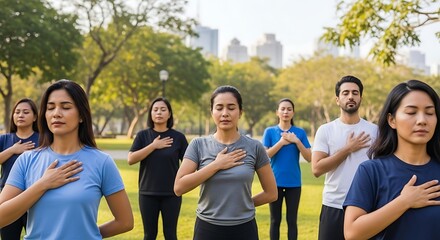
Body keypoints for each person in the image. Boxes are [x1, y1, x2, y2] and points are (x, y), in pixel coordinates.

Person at [0, 79, 133, 239]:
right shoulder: (26, 160)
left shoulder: (102, 162)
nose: (56, 113)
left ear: (82, 116)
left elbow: (125, 222)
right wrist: (42, 185)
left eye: (66, 107)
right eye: (50, 108)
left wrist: (87, 234)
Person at [174, 85, 278, 240]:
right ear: (212, 112)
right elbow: (179, 187)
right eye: (219, 108)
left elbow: (271, 193)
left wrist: (243, 204)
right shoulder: (198, 145)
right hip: (207, 228)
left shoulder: (255, 147)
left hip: (244, 228)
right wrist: (216, 165)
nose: (225, 113)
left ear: (240, 112)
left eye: (231, 108)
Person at [344, 80, 440, 240]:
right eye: (411, 112)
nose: (422, 120)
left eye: (430, 113)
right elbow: (352, 233)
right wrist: (404, 201)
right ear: (392, 120)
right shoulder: (371, 171)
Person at [311, 75, 378, 240]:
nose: (350, 96)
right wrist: (348, 149)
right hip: (334, 205)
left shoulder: (375, 131)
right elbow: (317, 169)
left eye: (355, 93)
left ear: (360, 98)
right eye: (346, 93)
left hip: (366, 206)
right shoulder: (325, 130)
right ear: (337, 99)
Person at [128, 97, 188, 240]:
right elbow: (131, 159)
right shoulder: (143, 136)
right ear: (150, 114)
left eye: (163, 109)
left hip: (172, 194)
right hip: (147, 194)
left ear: (169, 114)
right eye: (155, 110)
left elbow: (189, 163)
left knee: (171, 235)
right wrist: (153, 146)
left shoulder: (178, 137)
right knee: (149, 235)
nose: (159, 113)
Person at [262, 98, 311, 240]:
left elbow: (309, 157)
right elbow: (265, 156)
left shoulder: (299, 133)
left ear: (293, 113)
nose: (285, 112)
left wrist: (296, 141)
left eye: (289, 109)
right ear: (277, 112)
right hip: (274, 183)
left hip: (294, 184)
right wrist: (282, 142)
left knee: (292, 222)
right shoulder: (270, 132)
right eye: (282, 109)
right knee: (274, 221)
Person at [0, 98, 39, 240]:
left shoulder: (43, 139)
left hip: (35, 198)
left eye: (25, 112)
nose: (20, 115)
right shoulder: (4, 139)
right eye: (17, 112)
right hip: (8, 199)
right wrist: (13, 150)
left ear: (35, 117)